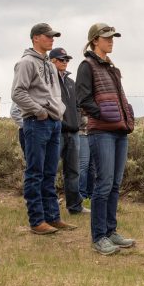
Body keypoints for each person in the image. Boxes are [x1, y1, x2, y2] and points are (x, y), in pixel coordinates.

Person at [75, 23, 137, 255]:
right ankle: (99, 236)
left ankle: (111, 231)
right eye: (106, 37)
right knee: (103, 184)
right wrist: (102, 113)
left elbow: (120, 97)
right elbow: (82, 97)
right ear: (94, 41)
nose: (111, 41)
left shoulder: (111, 67)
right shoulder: (87, 65)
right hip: (101, 131)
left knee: (114, 184)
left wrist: (126, 114)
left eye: (113, 37)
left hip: (120, 131)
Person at [11, 23, 75, 234]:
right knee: (35, 172)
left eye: (53, 36)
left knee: (49, 172)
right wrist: (39, 111)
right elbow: (18, 93)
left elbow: (55, 93)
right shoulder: (26, 63)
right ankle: (37, 221)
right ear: (36, 38)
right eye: (48, 36)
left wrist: (58, 112)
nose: (52, 39)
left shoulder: (49, 65)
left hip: (54, 122)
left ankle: (53, 217)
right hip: (37, 123)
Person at [50, 47, 88, 215]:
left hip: (73, 133)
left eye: (67, 59)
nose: (65, 62)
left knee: (73, 171)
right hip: (56, 131)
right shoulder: (49, 80)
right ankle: (48, 207)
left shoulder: (71, 82)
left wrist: (78, 122)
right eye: (62, 59)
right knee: (50, 170)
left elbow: (78, 106)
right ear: (52, 61)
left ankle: (75, 206)